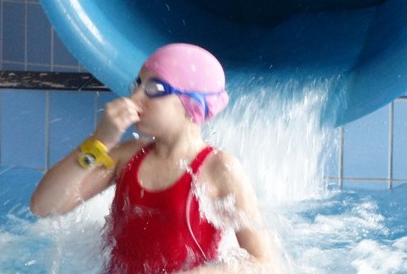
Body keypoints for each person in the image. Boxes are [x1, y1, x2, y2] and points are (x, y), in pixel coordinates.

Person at [30, 43, 277, 273]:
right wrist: (99, 142)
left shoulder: (219, 169)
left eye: (154, 89)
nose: (135, 98)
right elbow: (44, 206)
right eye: (137, 85)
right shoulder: (127, 157)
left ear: (191, 103)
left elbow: (262, 262)